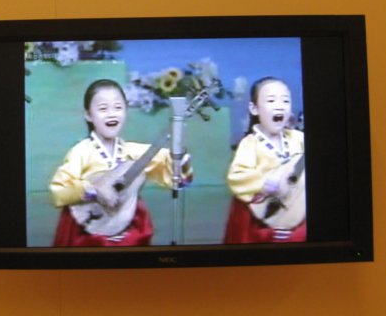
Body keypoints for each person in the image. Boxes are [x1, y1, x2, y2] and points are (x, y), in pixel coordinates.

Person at [50, 79, 193, 246]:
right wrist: (93, 189)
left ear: (126, 111)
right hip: (88, 227)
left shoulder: (133, 151)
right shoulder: (81, 152)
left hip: (129, 227)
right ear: (88, 115)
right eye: (103, 108)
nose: (112, 114)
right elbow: (59, 191)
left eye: (118, 107)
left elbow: (170, 168)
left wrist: (180, 162)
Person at [224, 76, 306, 243]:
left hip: (297, 212)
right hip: (263, 216)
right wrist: (267, 184)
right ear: (254, 109)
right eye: (271, 100)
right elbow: (237, 176)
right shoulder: (250, 143)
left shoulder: (298, 138)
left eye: (285, 101)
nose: (279, 106)